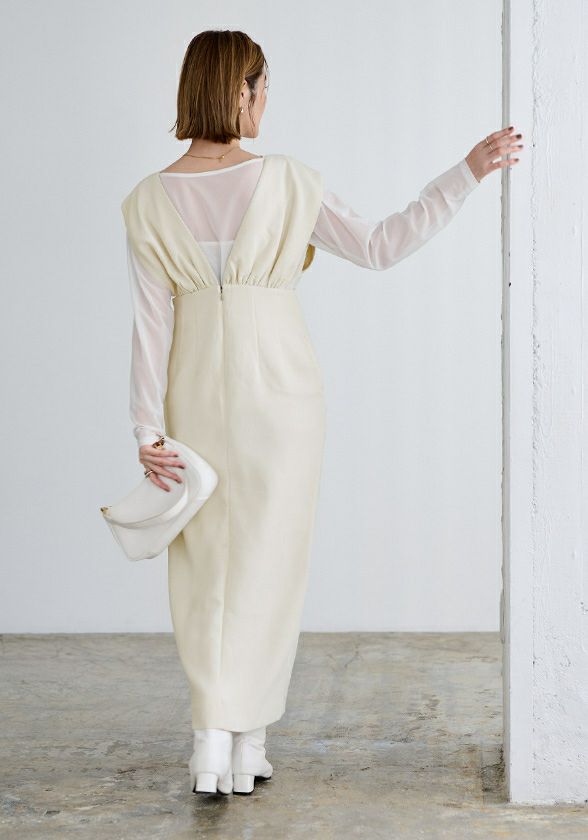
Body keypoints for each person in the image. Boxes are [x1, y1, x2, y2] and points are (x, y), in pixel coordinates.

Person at [120, 30, 523, 796]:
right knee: (270, 561)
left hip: (190, 395)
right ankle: (243, 743)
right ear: (240, 90)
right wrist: (465, 174)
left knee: (204, 565)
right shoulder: (287, 181)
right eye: (262, 88)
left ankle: (218, 740)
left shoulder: (147, 199)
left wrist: (147, 428)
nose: (266, 102)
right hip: (283, 393)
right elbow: (380, 245)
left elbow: (150, 324)